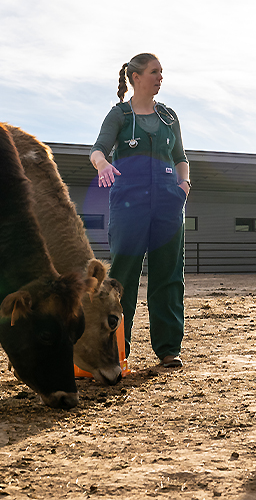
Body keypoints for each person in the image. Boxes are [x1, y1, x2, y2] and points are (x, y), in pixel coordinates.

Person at [90, 53, 190, 368]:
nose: (160, 77)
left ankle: (168, 349)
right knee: (123, 278)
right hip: (129, 203)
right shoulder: (119, 115)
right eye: (153, 72)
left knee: (169, 275)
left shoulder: (169, 117)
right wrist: (103, 163)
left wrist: (184, 186)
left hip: (168, 203)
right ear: (135, 77)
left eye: (162, 72)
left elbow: (180, 157)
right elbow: (98, 150)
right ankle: (115, 350)